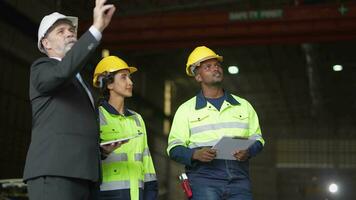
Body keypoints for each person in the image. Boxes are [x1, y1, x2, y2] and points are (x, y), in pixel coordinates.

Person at [23, 1, 118, 199]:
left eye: (71, 29)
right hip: (55, 172)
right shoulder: (42, 68)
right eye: (61, 31)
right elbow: (62, 72)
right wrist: (96, 29)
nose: (70, 33)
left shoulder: (79, 82)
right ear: (45, 43)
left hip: (84, 175)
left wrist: (100, 151)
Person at [167, 46, 265, 200]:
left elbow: (258, 139)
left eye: (217, 65)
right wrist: (195, 154)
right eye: (208, 67)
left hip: (239, 180)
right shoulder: (186, 110)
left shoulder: (243, 105)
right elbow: (173, 148)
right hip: (203, 180)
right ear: (198, 77)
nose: (216, 69)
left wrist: (248, 151)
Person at [92, 55, 158, 200]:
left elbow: (146, 161)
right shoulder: (95, 117)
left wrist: (151, 193)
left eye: (129, 77)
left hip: (138, 195)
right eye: (124, 77)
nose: (130, 82)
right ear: (109, 84)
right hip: (107, 196)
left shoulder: (137, 119)